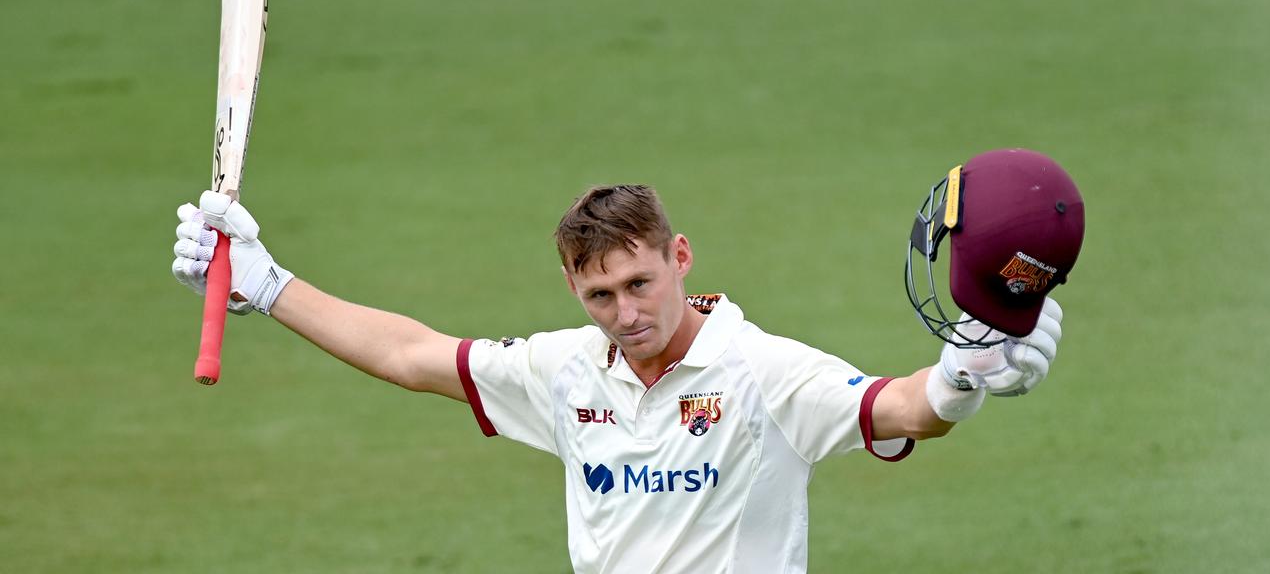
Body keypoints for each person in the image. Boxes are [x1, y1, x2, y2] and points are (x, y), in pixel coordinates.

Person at [171, 148, 1084, 574]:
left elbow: (904, 408)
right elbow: (411, 354)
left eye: (642, 285)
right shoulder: (565, 373)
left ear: (680, 257)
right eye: (600, 296)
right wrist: (265, 281)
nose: (628, 314)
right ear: (572, 286)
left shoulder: (762, 371)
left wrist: (965, 376)